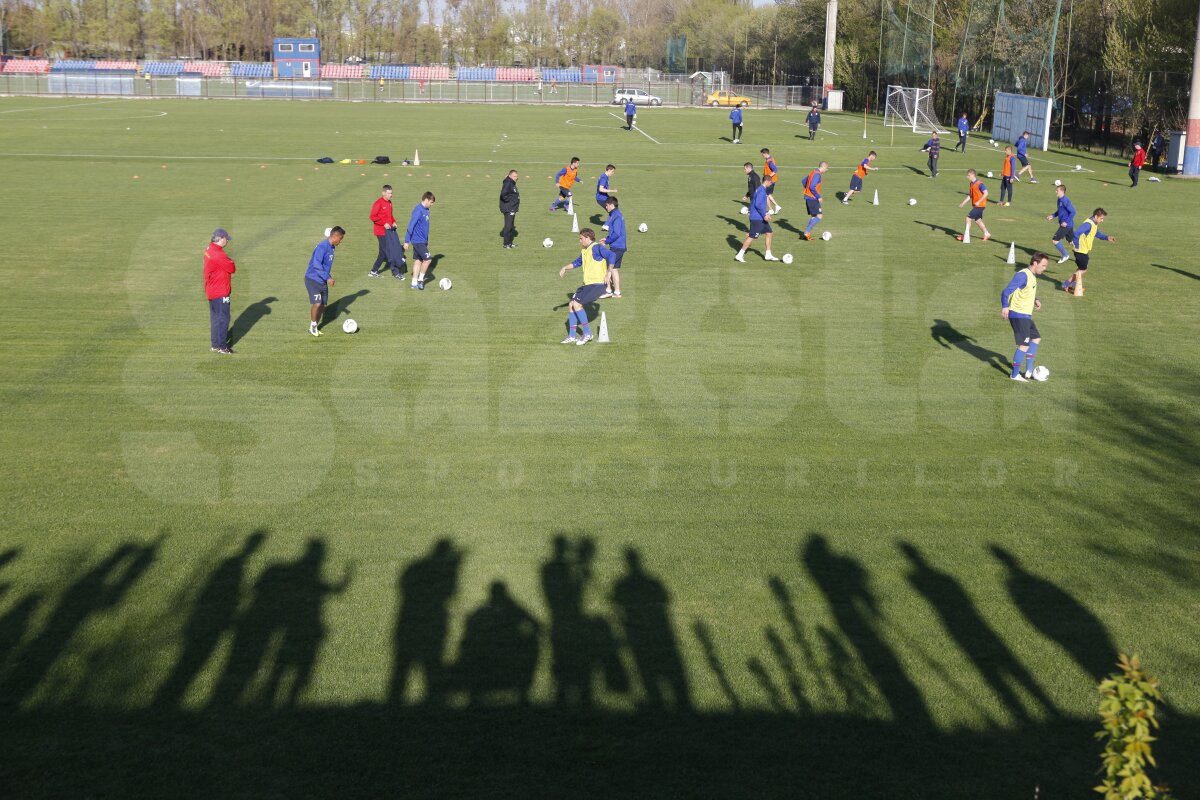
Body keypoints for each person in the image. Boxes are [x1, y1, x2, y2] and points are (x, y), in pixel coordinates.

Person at [558, 228, 616, 345]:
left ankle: (588, 333)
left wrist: (609, 272)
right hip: (588, 284)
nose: (580, 241)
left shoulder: (596, 247)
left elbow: (612, 255)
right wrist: (565, 268)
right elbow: (577, 263)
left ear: (588, 237)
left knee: (577, 304)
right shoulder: (585, 250)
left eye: (581, 238)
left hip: (597, 284)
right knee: (571, 304)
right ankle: (572, 336)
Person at [1000, 252, 1049, 382]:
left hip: (1025, 315)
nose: (1045, 268)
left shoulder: (1031, 275)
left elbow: (1026, 291)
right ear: (1035, 263)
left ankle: (1028, 370)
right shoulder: (1023, 275)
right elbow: (1006, 291)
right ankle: (1015, 375)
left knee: (1036, 338)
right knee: (1024, 345)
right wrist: (1005, 306)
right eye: (1043, 265)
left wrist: (1035, 299)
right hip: (1018, 314)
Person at [1064, 208, 1115, 296]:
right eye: (1101, 218)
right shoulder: (1088, 224)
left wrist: (1107, 237)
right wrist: (1076, 245)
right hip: (1080, 250)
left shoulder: (1094, 224)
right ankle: (1066, 284)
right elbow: (1076, 234)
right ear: (1096, 216)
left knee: (1081, 268)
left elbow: (1097, 233)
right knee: (1083, 269)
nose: (1102, 220)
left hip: (1083, 250)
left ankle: (1075, 285)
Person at [305, 226, 344, 336]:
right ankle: (313, 327)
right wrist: (328, 278)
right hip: (312, 279)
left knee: (322, 305)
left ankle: (314, 327)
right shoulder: (322, 246)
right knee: (317, 304)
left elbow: (325, 265)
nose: (340, 242)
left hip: (322, 279)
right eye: (340, 239)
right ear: (335, 236)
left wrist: (328, 276)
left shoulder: (332, 247)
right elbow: (317, 265)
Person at [203, 228, 236, 354]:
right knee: (223, 318)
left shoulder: (209, 249)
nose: (227, 241)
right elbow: (232, 267)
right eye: (226, 238)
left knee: (215, 318)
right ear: (221, 238)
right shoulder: (219, 254)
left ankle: (215, 345)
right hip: (220, 291)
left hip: (211, 290)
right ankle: (223, 347)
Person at [734, 180, 778, 262]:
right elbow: (758, 205)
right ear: (767, 181)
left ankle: (768, 255)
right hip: (757, 218)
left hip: (760, 217)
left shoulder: (761, 189)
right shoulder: (761, 190)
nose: (771, 184)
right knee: (752, 236)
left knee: (769, 233)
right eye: (770, 182)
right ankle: (740, 255)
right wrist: (765, 214)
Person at [368, 184, 404, 279]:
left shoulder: (389, 203)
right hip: (380, 232)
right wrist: (384, 223)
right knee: (388, 252)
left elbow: (390, 216)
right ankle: (396, 272)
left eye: (391, 193)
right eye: (389, 193)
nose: (391, 195)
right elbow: (372, 216)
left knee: (383, 253)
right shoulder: (378, 203)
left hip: (388, 232)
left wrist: (394, 222)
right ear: (383, 193)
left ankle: (373, 271)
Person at [404, 192, 435, 290]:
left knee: (418, 260)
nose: (432, 204)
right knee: (428, 259)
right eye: (431, 202)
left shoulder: (426, 209)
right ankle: (420, 280)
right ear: (426, 199)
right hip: (418, 241)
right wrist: (406, 241)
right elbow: (411, 225)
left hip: (423, 240)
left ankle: (413, 283)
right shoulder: (418, 210)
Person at [599, 197, 626, 298]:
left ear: (611, 204)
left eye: (606, 205)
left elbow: (617, 233)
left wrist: (607, 241)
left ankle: (608, 290)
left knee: (607, 267)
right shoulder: (614, 214)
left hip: (617, 247)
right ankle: (617, 293)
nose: (606, 207)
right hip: (619, 246)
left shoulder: (616, 216)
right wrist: (606, 238)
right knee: (614, 269)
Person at [957, 169, 992, 242]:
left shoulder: (980, 184)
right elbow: (970, 195)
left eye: (968, 175)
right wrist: (963, 203)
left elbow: (986, 193)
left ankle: (966, 236)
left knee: (968, 218)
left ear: (973, 175)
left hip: (980, 205)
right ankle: (987, 233)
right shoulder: (971, 184)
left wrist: (979, 202)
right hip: (977, 206)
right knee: (978, 220)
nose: (967, 177)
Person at [1044, 184, 1076, 264]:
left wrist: (1066, 222)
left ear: (1062, 191)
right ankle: (1082, 256)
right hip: (1068, 225)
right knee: (1072, 242)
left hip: (1066, 225)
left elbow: (1073, 211)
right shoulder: (1059, 199)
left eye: (1057, 190)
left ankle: (1065, 255)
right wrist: (1052, 216)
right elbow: (1060, 211)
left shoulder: (1065, 200)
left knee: (1055, 240)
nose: (1056, 192)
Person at [801, 161, 828, 240]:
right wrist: (818, 196)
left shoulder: (813, 172)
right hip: (812, 198)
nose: (826, 170)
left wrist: (807, 190)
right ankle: (807, 231)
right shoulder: (817, 175)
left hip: (809, 197)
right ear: (823, 167)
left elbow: (803, 181)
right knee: (819, 216)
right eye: (826, 169)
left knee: (814, 216)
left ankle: (808, 233)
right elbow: (812, 186)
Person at [499, 170, 520, 249]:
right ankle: (506, 244)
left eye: (517, 176)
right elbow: (503, 194)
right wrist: (510, 203)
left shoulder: (511, 182)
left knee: (511, 226)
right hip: (509, 208)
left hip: (512, 208)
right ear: (510, 176)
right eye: (514, 176)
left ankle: (510, 243)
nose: (516, 178)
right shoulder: (508, 183)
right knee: (508, 226)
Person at [760, 148, 783, 215]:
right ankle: (776, 206)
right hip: (770, 180)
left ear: (765, 153)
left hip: (769, 181)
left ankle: (771, 209)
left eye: (762, 154)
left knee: (765, 195)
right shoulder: (770, 159)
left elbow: (775, 170)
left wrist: (769, 177)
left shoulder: (769, 161)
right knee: (768, 194)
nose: (762, 156)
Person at [595, 164, 617, 230]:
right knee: (613, 210)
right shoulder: (604, 178)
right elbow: (600, 189)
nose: (613, 173)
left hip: (604, 197)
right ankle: (606, 225)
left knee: (613, 210)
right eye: (612, 171)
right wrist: (612, 190)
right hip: (601, 198)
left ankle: (607, 225)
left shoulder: (604, 176)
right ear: (609, 170)